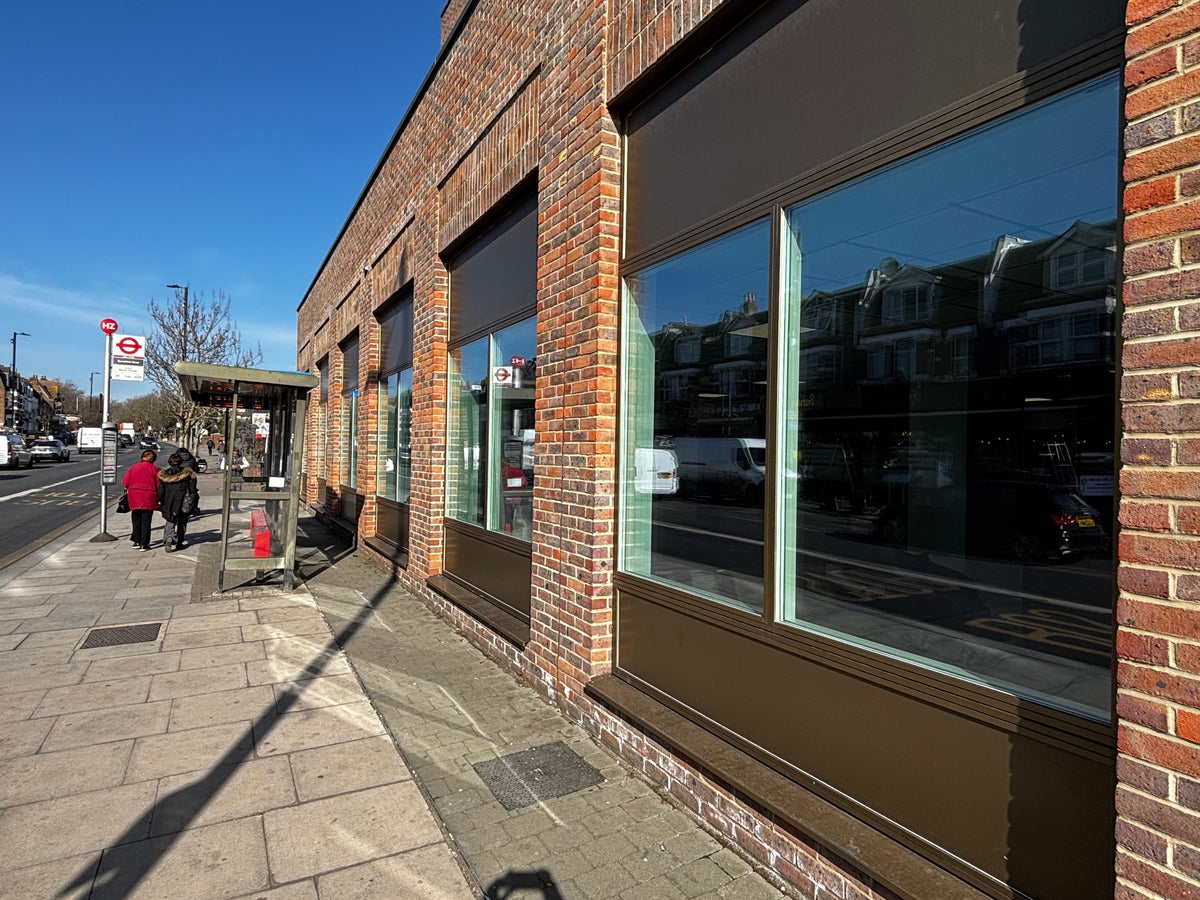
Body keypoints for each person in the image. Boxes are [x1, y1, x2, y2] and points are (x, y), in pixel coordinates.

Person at [157, 452, 199, 552]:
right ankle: (180, 541)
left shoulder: (164, 475)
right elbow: (192, 489)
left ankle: (169, 537)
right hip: (183, 500)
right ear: (180, 462)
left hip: (168, 501)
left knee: (170, 520)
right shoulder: (188, 473)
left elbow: (161, 491)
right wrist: (194, 500)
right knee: (182, 521)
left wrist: (161, 501)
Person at [122, 449, 160, 551]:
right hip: (148, 496)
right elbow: (159, 485)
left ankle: (136, 541)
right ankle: (144, 543)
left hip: (134, 496)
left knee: (136, 518)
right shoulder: (155, 469)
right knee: (146, 520)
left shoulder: (133, 468)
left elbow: (125, 482)